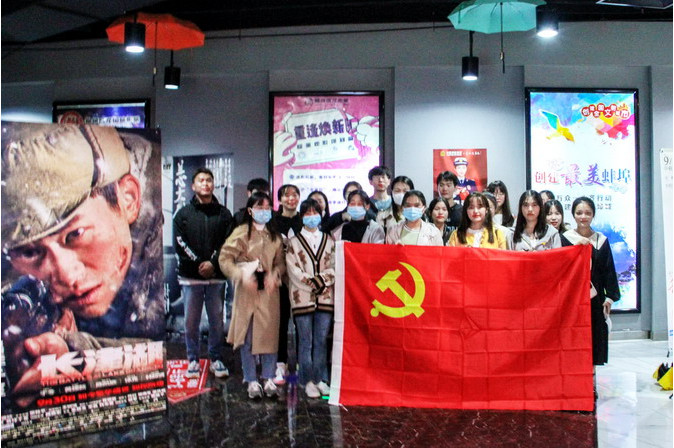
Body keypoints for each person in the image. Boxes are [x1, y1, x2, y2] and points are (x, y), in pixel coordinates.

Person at [1, 123, 164, 407]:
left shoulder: (154, 226)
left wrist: (76, 352)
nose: (66, 275)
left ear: (128, 200)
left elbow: (158, 357)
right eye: (30, 251)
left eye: (75, 234)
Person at [218, 192, 286, 399]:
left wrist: (275, 274)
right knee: (247, 336)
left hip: (269, 292)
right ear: (250, 210)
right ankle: (251, 379)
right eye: (259, 207)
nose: (264, 211)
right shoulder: (240, 233)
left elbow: (281, 263)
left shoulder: (275, 236)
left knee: (269, 335)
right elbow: (225, 259)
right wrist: (240, 274)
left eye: (267, 208)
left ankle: (268, 377)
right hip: (247, 291)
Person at [173, 168, 232, 379]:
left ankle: (216, 358)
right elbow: (180, 243)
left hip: (216, 277)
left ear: (213, 184)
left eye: (208, 180)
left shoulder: (224, 214)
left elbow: (228, 242)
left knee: (217, 320)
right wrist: (199, 263)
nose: (205, 184)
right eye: (201, 180)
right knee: (191, 322)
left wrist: (213, 263)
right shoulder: (183, 214)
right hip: (191, 277)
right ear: (193, 186)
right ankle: (192, 360)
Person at [285, 198, 336, 399]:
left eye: (315, 212)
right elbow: (292, 269)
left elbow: (334, 264)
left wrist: (322, 280)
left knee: (321, 340)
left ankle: (320, 378)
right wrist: (310, 281)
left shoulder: (329, 240)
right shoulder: (293, 242)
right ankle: (306, 380)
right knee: (305, 340)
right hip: (302, 297)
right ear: (302, 216)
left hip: (325, 296)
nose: (312, 216)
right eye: (307, 213)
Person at [561, 197, 620, 366]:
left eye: (587, 213)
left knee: (594, 340)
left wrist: (610, 298)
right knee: (573, 338)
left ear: (593, 214)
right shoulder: (565, 239)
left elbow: (609, 271)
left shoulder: (601, 240)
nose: (583, 217)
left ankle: (592, 378)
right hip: (572, 299)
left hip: (595, 299)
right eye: (579, 213)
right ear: (573, 214)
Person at [272, 184, 303, 384]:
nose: (291, 198)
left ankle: (301, 363)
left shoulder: (304, 220)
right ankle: (280, 363)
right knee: (280, 322)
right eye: (286, 195)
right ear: (280, 199)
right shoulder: (272, 222)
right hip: (279, 279)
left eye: (294, 195)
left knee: (301, 322)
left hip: (301, 281)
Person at [368, 166, 395, 231]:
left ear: (389, 181)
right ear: (370, 181)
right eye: (377, 177)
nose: (380, 180)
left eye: (383, 177)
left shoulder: (395, 202)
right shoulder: (366, 203)